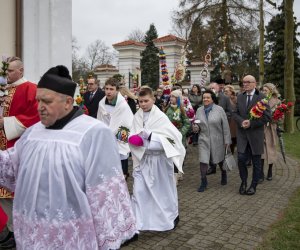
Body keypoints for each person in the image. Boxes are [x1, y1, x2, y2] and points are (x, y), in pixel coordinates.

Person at [0, 65, 137, 249]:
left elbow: (105, 194)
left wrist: (109, 238)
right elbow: (11, 168)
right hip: (30, 235)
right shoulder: (32, 133)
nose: (39, 107)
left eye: (46, 101)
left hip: (71, 236)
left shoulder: (94, 133)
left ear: (67, 102)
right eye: (38, 100)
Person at [129, 86, 185, 231]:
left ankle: (167, 218)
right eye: (140, 102)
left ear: (153, 100)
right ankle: (140, 221)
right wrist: (134, 139)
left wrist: (148, 138)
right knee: (139, 191)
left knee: (162, 192)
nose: (142, 104)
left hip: (159, 161)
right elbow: (132, 133)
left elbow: (173, 138)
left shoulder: (160, 117)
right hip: (143, 160)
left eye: (146, 101)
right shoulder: (137, 116)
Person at [0, 56, 40, 248]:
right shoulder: (5, 89)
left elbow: (35, 116)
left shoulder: (30, 88)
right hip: (2, 147)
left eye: (10, 71)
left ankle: (18, 232)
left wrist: (5, 123)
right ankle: (9, 230)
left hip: (17, 147)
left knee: (16, 194)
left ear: (21, 71)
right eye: (5, 71)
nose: (6, 75)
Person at [232, 75, 271, 195]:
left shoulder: (262, 97)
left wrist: (251, 123)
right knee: (241, 160)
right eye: (244, 82)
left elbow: (267, 117)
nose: (245, 84)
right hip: (242, 135)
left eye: (248, 82)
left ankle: (253, 185)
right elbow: (235, 113)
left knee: (256, 162)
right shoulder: (240, 96)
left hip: (255, 136)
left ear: (255, 83)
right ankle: (243, 182)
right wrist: (241, 121)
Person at [192, 89, 231, 192]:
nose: (205, 99)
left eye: (208, 97)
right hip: (203, 139)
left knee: (219, 159)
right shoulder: (199, 110)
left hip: (217, 139)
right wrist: (195, 127)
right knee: (203, 160)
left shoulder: (219, 109)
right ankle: (203, 181)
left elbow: (226, 126)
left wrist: (227, 141)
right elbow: (197, 123)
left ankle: (223, 173)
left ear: (212, 99)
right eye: (204, 97)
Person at [97, 78, 134, 181]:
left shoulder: (122, 106)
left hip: (118, 141)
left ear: (117, 90)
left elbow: (127, 124)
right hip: (106, 140)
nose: (108, 91)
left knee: (120, 173)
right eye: (107, 88)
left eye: (111, 89)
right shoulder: (101, 104)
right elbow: (100, 121)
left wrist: (114, 136)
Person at [165, 89, 191, 184]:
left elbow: (187, 123)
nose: (171, 98)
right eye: (170, 96)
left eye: (173, 97)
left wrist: (181, 133)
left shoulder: (181, 110)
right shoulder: (167, 109)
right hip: (169, 137)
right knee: (171, 156)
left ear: (178, 99)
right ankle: (172, 175)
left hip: (179, 137)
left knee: (178, 155)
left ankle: (177, 173)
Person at [260, 83, 281, 182]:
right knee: (261, 151)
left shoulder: (277, 102)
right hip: (261, 128)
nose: (263, 92)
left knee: (271, 150)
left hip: (271, 129)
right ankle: (260, 173)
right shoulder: (260, 101)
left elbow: (281, 117)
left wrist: (274, 119)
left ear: (271, 91)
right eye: (263, 90)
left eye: (265, 90)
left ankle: (270, 170)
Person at [224, 85, 238, 154]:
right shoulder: (223, 99)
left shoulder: (236, 99)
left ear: (231, 91)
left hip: (234, 121)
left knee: (234, 137)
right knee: (229, 137)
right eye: (224, 91)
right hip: (226, 120)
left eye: (227, 91)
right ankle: (229, 151)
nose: (225, 92)